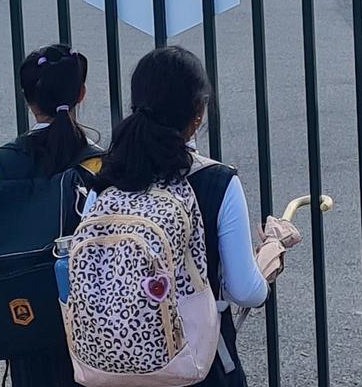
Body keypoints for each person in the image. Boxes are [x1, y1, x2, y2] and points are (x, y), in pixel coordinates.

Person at [97, 47, 268, 385]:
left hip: (118, 364)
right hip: (198, 366)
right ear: (198, 114)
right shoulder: (217, 182)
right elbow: (247, 290)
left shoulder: (104, 179)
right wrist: (272, 252)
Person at [0, 44, 102, 387]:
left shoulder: (3, 161)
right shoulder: (97, 164)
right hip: (87, 323)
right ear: (81, 93)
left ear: (28, 99)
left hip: (22, 317)